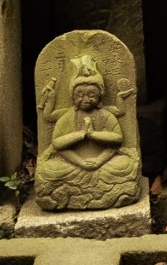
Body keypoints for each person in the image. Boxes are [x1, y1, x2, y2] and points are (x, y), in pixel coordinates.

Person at [34, 56, 139, 210]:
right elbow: (57, 144)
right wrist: (81, 136)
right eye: (80, 95)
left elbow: (117, 140)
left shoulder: (105, 115)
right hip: (73, 164)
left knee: (125, 165)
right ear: (73, 97)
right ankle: (97, 193)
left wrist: (94, 141)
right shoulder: (68, 117)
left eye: (91, 95)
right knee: (49, 169)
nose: (86, 99)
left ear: (100, 97)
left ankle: (92, 193)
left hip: (105, 163)